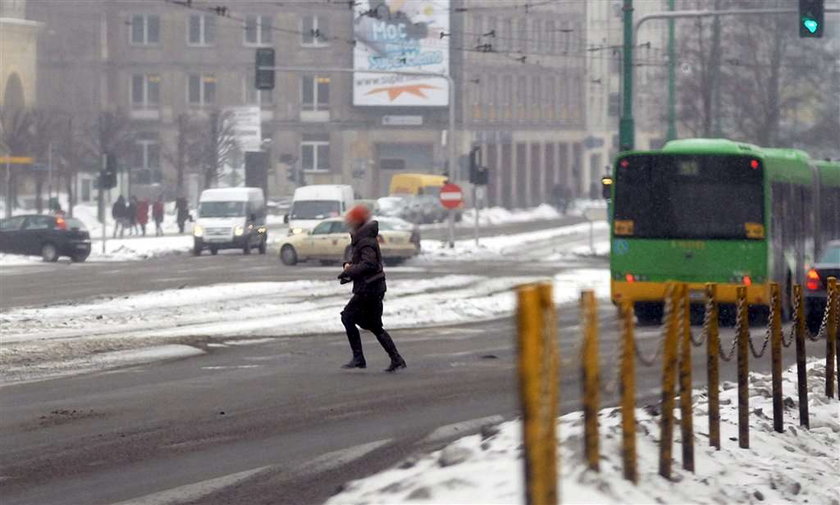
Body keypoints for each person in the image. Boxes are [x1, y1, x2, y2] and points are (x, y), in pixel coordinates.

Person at [338, 205, 406, 372]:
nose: (349, 223)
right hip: (373, 287)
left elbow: (369, 264)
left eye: (351, 220)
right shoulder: (364, 238)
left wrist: (350, 270)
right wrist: (350, 268)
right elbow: (364, 263)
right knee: (374, 325)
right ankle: (396, 359)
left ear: (357, 222)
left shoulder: (365, 240)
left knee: (347, 317)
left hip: (369, 288)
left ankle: (359, 358)